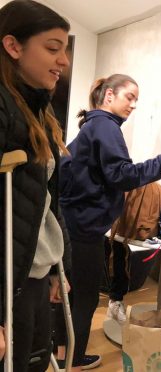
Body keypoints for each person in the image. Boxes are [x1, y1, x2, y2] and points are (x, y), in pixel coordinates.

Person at [58, 74, 161, 371]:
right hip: (83, 227)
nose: (134, 105)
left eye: (136, 99)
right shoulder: (105, 126)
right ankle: (73, 359)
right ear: (109, 95)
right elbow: (122, 175)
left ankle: (62, 351)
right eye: (130, 97)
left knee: (71, 291)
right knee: (85, 296)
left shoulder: (92, 125)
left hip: (74, 222)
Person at [0, 0, 72, 370]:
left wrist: (62, 264)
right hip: (10, 279)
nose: (64, 61)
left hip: (36, 270)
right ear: (13, 47)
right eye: (52, 48)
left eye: (66, 50)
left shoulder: (42, 112)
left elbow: (47, 201)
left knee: (34, 363)